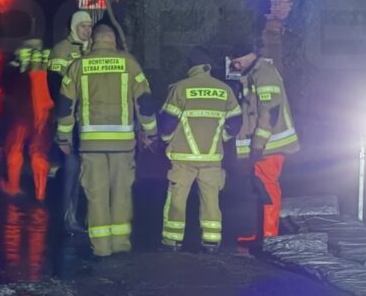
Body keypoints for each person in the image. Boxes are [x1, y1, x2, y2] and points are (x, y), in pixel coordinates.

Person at [55, 25, 157, 257]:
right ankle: (121, 244)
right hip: (123, 144)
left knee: (96, 194)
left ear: (93, 40)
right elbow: (145, 102)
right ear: (113, 40)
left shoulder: (78, 66)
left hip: (92, 144)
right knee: (121, 192)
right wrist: (150, 133)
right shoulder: (129, 63)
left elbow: (65, 106)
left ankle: (101, 248)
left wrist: (63, 137)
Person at [152, 47, 243, 253]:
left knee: (177, 198)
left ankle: (172, 241)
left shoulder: (181, 88)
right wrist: (223, 137)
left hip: (183, 157)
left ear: (190, 67)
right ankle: (211, 241)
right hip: (211, 157)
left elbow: (167, 122)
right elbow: (236, 121)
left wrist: (167, 140)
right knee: (211, 200)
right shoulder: (224, 90)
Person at [230, 40, 299, 246]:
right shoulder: (255, 73)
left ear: (243, 55)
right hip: (263, 146)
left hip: (269, 146)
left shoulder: (263, 73)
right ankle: (261, 232)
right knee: (260, 188)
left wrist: (258, 144)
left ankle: (269, 235)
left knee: (267, 188)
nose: (233, 65)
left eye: (234, 60)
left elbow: (270, 110)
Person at [47, 11, 93, 232]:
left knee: (85, 170)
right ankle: (67, 217)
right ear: (74, 27)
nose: (87, 30)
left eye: (90, 27)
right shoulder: (61, 51)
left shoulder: (91, 51)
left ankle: (80, 216)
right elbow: (56, 90)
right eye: (83, 26)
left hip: (88, 122)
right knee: (71, 168)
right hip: (70, 121)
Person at [4, 39, 53, 199]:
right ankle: (40, 193)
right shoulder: (46, 72)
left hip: (23, 111)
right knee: (38, 150)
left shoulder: (16, 72)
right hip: (42, 110)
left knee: (16, 147)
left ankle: (13, 187)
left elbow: (6, 89)